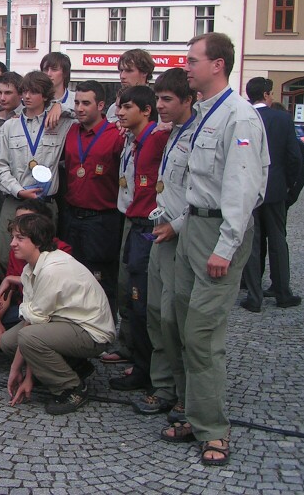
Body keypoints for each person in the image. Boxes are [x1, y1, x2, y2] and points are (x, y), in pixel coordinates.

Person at [161, 32, 268, 467]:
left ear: (217, 65)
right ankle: (189, 408)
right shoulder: (206, 112)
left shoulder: (238, 117)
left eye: (192, 60)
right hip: (193, 229)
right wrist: (181, 226)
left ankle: (213, 429)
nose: (186, 67)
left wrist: (225, 247)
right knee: (175, 320)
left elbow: (242, 191)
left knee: (202, 335)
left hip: (220, 236)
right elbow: (198, 186)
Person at [0, 213, 115, 415]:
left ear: (37, 242)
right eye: (13, 237)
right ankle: (75, 367)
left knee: (26, 338)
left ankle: (71, 388)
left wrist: (17, 372)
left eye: (19, 238)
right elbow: (32, 319)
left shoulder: (52, 269)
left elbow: (32, 327)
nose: (12, 244)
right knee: (9, 341)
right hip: (65, 322)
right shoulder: (32, 267)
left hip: (91, 332)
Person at [132, 68, 196, 420]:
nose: (160, 106)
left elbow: (203, 194)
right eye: (157, 99)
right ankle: (163, 387)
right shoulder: (168, 132)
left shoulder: (196, 133)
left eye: (167, 100)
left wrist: (178, 225)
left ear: (188, 100)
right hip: (161, 230)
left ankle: (182, 392)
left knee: (174, 317)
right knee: (156, 313)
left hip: (182, 234)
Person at [108, 86, 168, 393]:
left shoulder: (158, 139)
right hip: (132, 220)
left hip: (148, 225)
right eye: (119, 106)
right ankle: (138, 358)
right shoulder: (131, 140)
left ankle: (148, 371)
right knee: (130, 295)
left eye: (126, 107)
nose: (119, 112)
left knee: (141, 299)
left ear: (146, 110)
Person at [0, 71, 75, 269]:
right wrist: (19, 190)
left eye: (34, 92)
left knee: (43, 260)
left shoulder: (62, 123)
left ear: (46, 95)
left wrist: (59, 105)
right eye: (25, 91)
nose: (27, 96)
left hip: (45, 203)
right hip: (15, 200)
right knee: (4, 255)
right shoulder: (9, 127)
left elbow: (83, 114)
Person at [0, 199, 72, 361]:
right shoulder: (17, 249)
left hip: (53, 314)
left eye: (26, 221)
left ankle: (64, 362)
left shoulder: (62, 249)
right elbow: (8, 291)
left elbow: (52, 289)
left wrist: (14, 279)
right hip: (23, 308)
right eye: (16, 221)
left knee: (32, 338)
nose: (19, 226)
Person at [61, 81, 124, 326]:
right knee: (73, 275)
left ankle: (104, 329)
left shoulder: (116, 136)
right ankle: (75, 326)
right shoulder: (71, 131)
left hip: (102, 218)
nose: (79, 108)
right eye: (76, 102)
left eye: (86, 103)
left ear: (101, 105)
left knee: (101, 277)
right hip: (72, 215)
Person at [240, 77, 303, 311]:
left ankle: (253, 297)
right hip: (275, 189)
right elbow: (294, 157)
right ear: (266, 95)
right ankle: (282, 292)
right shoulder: (282, 118)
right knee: (277, 241)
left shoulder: (242, 116)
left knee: (252, 243)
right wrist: (287, 185)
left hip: (249, 189)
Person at [106, 49, 155, 122]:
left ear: (144, 72)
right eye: (121, 71)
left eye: (129, 71)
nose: (122, 76)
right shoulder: (114, 108)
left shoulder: (158, 105)